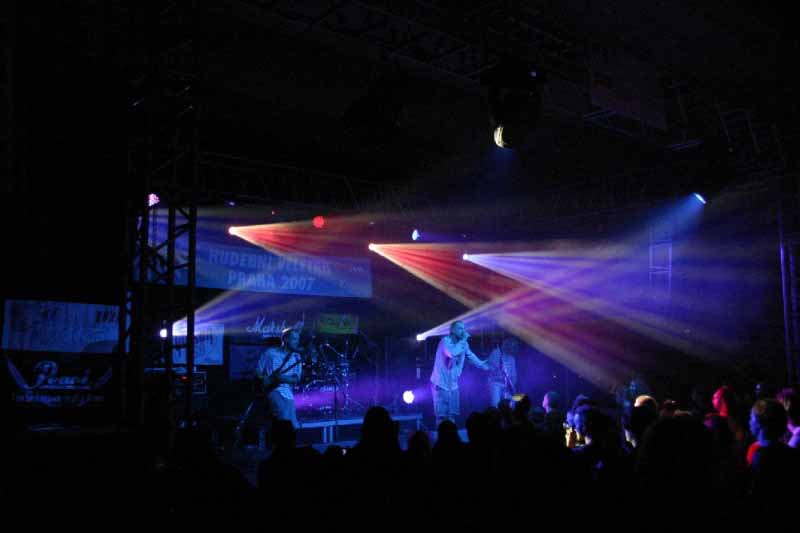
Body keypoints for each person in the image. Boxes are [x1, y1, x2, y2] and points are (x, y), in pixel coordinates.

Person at [429, 320, 488, 426]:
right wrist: (464, 340)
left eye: (464, 328)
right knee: (441, 416)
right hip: (440, 384)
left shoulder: (464, 344)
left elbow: (470, 355)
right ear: (452, 330)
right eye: (460, 328)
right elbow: (452, 353)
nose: (463, 331)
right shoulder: (445, 341)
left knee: (452, 415)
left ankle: (451, 435)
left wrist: (483, 364)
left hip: (453, 385)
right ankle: (442, 435)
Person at [256, 324, 304, 429]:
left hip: (287, 393)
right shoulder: (270, 353)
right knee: (285, 419)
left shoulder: (297, 357)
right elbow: (258, 370)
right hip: (272, 390)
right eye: (294, 339)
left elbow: (297, 379)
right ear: (285, 339)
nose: (297, 342)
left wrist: (282, 378)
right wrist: (264, 379)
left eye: (298, 339)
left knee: (291, 424)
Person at [486, 337, 519, 408]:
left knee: (511, 404)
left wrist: (513, 386)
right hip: (495, 384)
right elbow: (490, 371)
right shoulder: (495, 354)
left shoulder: (512, 358)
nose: (512, 347)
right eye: (511, 345)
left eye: (514, 346)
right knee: (495, 405)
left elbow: (514, 374)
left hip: (507, 385)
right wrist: (499, 375)